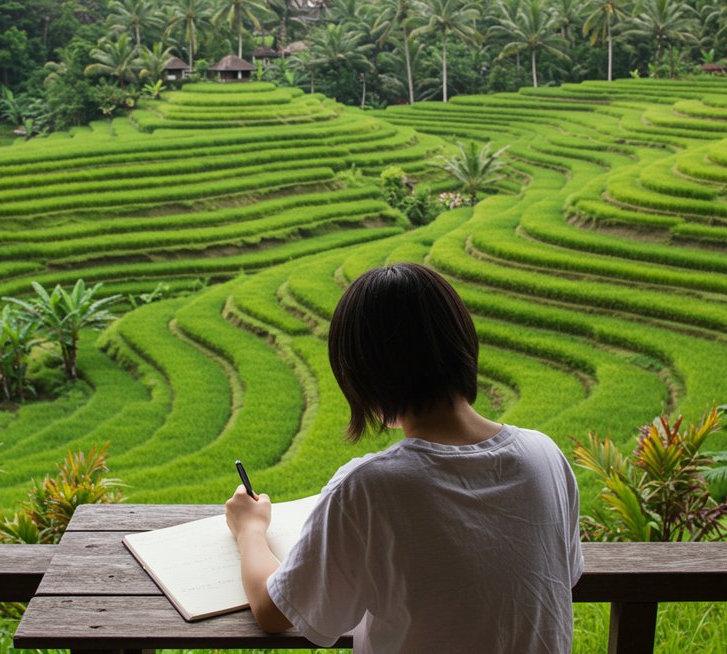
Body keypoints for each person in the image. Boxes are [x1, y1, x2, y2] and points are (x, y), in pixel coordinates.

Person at [225, 262, 583, 653]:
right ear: (463, 343)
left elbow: (272, 613)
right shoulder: (544, 455)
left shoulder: (369, 488)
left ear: (363, 376)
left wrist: (250, 530)